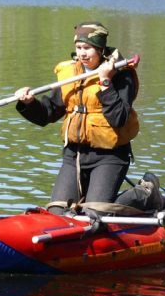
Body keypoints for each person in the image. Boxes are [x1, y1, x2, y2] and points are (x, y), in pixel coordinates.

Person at [13, 21, 141, 215]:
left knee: (94, 214)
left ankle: (144, 194)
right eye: (79, 48)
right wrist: (29, 103)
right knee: (56, 212)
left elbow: (119, 118)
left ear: (100, 49)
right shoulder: (71, 74)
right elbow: (47, 113)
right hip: (74, 156)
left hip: (110, 156)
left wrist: (105, 81)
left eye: (88, 48)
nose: (82, 54)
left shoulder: (122, 75)